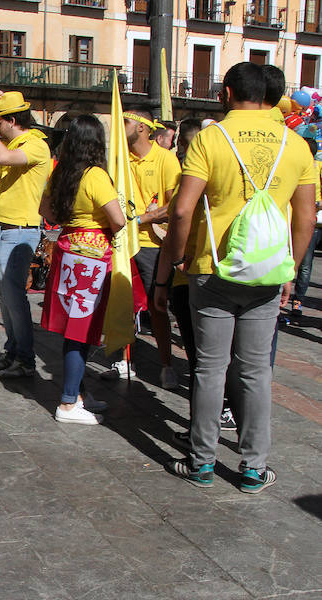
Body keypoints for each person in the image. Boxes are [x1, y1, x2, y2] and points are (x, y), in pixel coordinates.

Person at [155, 62, 317, 493]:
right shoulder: (297, 144)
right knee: (255, 371)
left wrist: (175, 260)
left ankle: (202, 462)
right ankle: (252, 467)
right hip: (267, 272)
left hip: (212, 269)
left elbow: (184, 209)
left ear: (227, 93)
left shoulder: (211, 137)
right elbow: (306, 216)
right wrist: (291, 270)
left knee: (209, 369)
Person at [39, 115, 125, 425]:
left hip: (67, 250)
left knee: (75, 329)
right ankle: (67, 403)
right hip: (91, 258)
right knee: (81, 331)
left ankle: (77, 393)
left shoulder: (60, 172)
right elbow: (118, 219)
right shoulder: (95, 176)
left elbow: (45, 211)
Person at [0, 90, 53, 375]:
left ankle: (25, 361)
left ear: (13, 120)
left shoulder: (35, 144)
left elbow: (4, 158)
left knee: (15, 299)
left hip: (19, 232)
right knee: (7, 300)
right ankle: (12, 352)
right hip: (2, 229)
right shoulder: (11, 139)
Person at [101, 108, 181, 388]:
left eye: (125, 121)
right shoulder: (119, 160)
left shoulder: (166, 160)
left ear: (144, 128)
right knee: (119, 303)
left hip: (151, 245)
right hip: (121, 242)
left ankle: (166, 364)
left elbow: (174, 206)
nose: (119, 126)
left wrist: (140, 220)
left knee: (157, 307)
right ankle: (122, 359)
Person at [291, 137, 322, 324]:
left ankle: (298, 299)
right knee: (302, 263)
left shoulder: (318, 168)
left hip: (314, 221)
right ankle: (295, 298)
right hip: (302, 220)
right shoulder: (297, 166)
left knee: (305, 264)